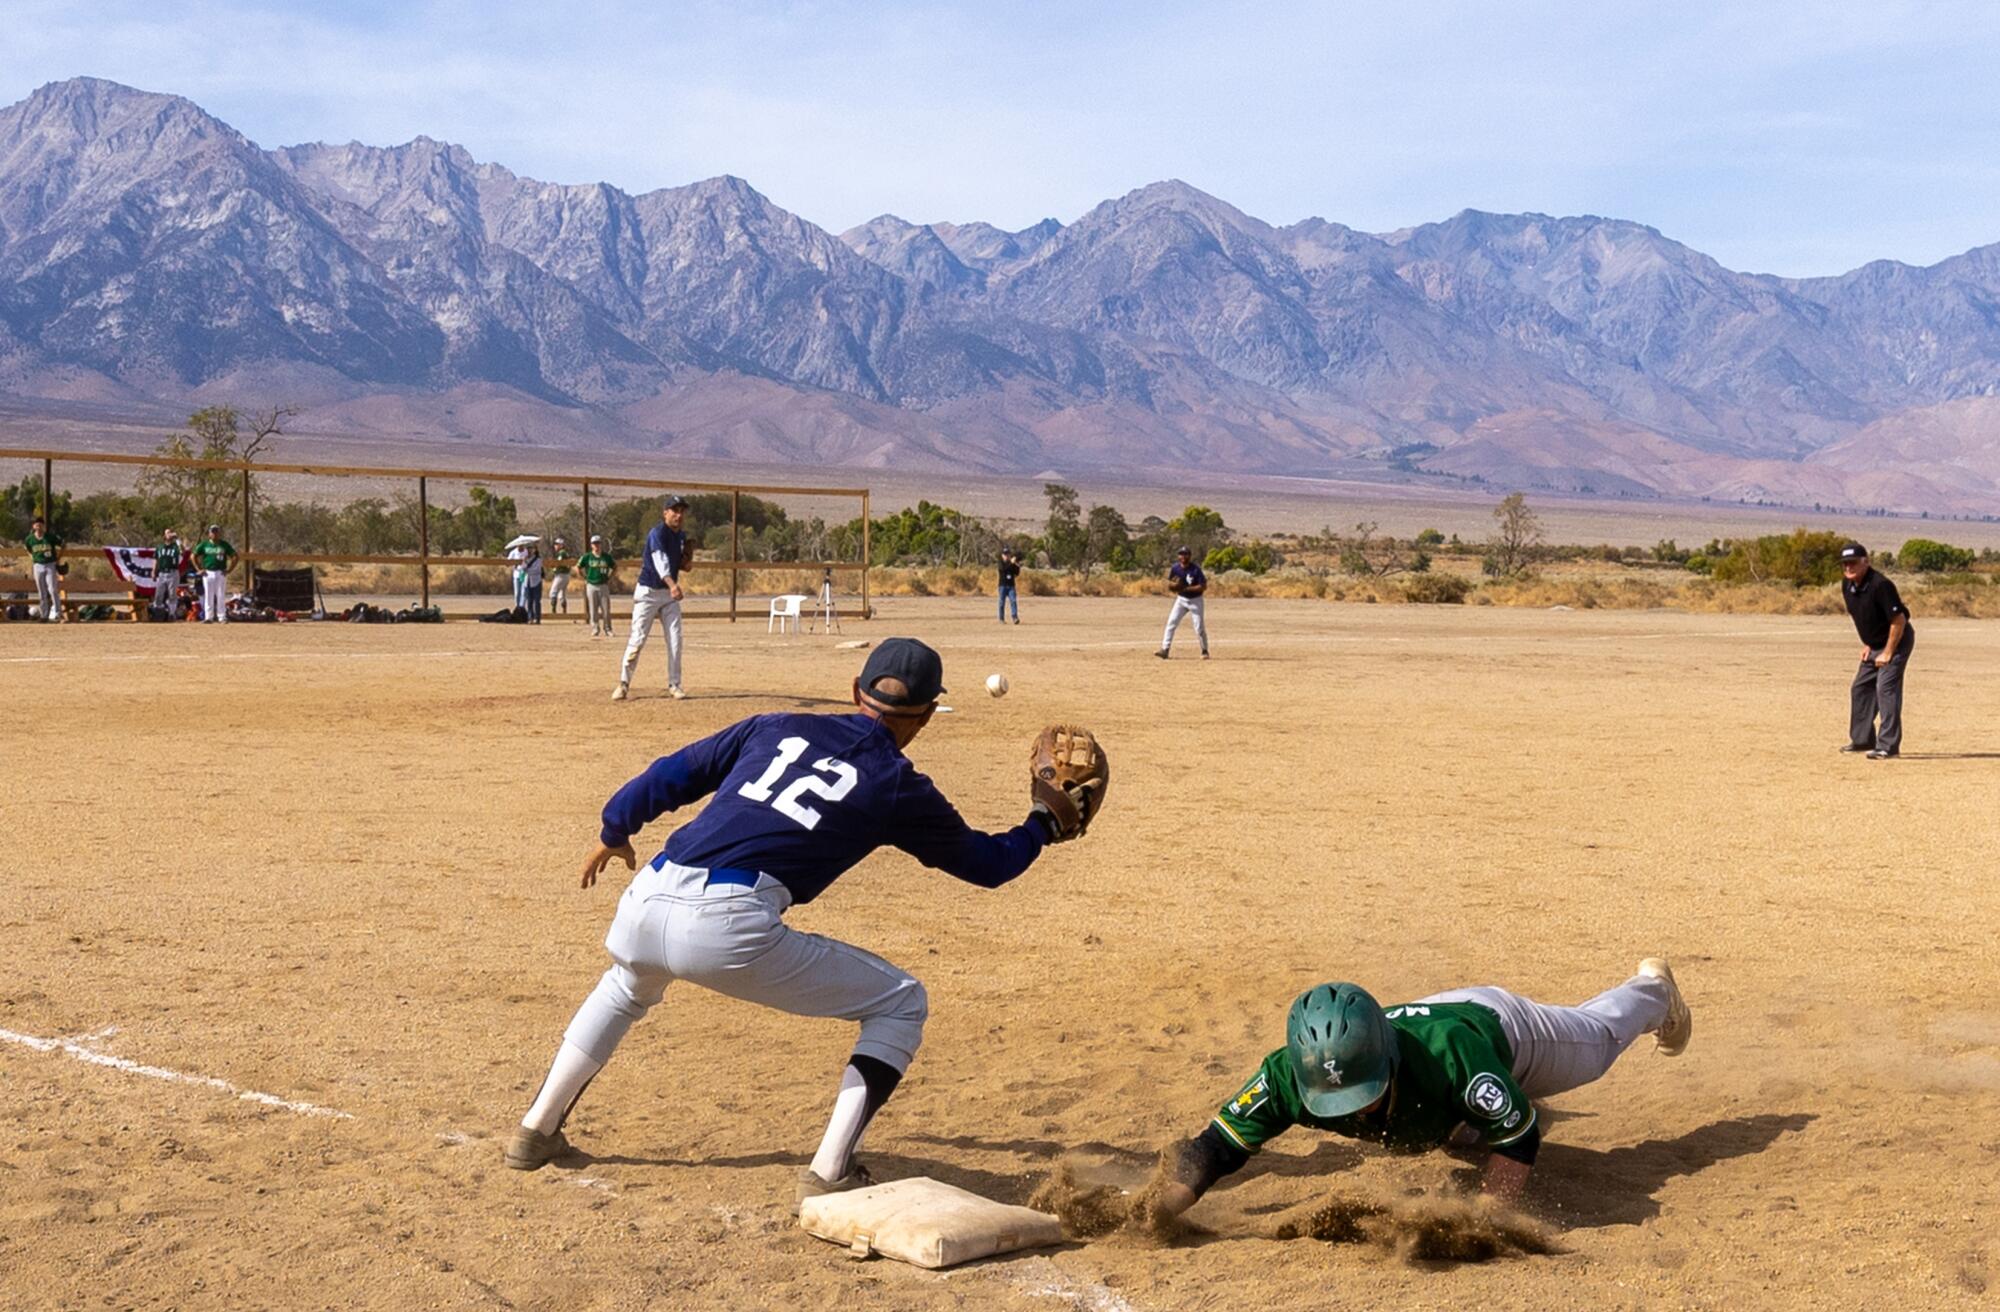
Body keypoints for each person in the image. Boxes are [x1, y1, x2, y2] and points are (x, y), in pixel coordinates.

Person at [504, 639, 1081, 1203]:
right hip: (728, 922)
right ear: (927, 715)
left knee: (627, 984)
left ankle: (536, 1129)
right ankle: (831, 1170)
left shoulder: (773, 725)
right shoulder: (897, 784)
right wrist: (1042, 825)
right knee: (900, 1002)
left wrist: (615, 829)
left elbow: (672, 773)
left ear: (854, 690)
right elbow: (986, 865)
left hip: (647, 893)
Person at [1145, 961, 1692, 1221]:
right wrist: (1163, 1208)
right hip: (1437, 1067)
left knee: (1595, 1046)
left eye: (1366, 1095)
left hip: (1500, 1030)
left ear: (1388, 1059)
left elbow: (1520, 1136)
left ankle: (1653, 992)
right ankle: (1463, 1119)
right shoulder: (1292, 1071)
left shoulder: (1452, 1054)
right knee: (1458, 1126)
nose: (1356, 1115)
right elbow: (1215, 1147)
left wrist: (1484, 1215)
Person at [1839, 542, 1913, 760]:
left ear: (1866, 562)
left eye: (1853, 563)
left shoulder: (1881, 585)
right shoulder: (1847, 585)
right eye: (1844, 564)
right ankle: (1863, 740)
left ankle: (1888, 746)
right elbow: (1862, 616)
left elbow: (1899, 620)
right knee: (1860, 688)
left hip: (1897, 640)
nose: (1848, 568)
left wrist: (1888, 652)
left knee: (1885, 688)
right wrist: (1869, 645)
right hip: (1876, 644)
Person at [614, 495, 688, 701]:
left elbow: (678, 562)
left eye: (682, 511)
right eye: (674, 510)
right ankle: (623, 683)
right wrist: (673, 585)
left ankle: (675, 684)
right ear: (665, 513)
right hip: (648, 593)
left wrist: (686, 562)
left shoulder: (680, 536)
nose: (679, 515)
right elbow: (660, 561)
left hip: (668, 596)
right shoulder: (657, 533)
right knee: (637, 640)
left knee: (675, 639)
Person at [1156, 546, 1209, 659]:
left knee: (1199, 627)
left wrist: (1185, 588)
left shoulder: (1195, 569)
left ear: (1189, 556)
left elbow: (1203, 586)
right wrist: (1173, 586)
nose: (1183, 556)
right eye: (1181, 554)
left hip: (1196, 600)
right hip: (1181, 600)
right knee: (1171, 623)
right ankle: (1165, 649)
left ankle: (1204, 650)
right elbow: (1171, 583)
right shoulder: (1175, 568)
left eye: (1185, 554)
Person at [191, 524, 237, 624]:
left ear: (219, 533)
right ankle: (209, 617)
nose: (215, 534)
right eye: (213, 531)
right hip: (207, 572)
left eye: (216, 531)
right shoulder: (204, 545)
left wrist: (229, 570)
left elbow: (235, 556)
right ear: (209, 534)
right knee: (208, 595)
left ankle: (222, 617)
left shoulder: (224, 545)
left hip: (220, 572)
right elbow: (193, 556)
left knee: (220, 594)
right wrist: (199, 569)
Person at [24, 514, 62, 623]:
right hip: (38, 565)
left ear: (43, 526)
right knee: (42, 591)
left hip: (50, 564)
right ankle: (44, 614)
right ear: (33, 526)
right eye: (37, 525)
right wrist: (31, 557)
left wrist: (58, 558)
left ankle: (58, 613)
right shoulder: (30, 539)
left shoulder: (49, 537)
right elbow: (26, 547)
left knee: (53, 589)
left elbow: (63, 544)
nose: (39, 527)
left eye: (41, 525)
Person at [578, 535, 616, 637]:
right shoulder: (587, 557)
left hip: (603, 585)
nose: (596, 546)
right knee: (593, 608)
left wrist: (609, 577)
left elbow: (614, 567)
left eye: (598, 543)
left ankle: (608, 628)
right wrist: (585, 578)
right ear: (591, 545)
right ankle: (595, 628)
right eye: (594, 544)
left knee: (606, 609)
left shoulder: (606, 557)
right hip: (591, 585)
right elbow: (578, 567)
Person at [154, 528, 185, 619]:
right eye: (167, 533)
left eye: (170, 533)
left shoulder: (175, 547)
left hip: (173, 572)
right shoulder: (160, 547)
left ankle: (172, 613)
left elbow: (183, 551)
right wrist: (153, 571)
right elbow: (156, 559)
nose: (169, 535)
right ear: (164, 535)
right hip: (162, 573)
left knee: (172, 594)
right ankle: (158, 612)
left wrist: (177, 538)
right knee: (159, 594)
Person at [549, 538, 573, 615]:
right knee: (562, 593)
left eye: (557, 544)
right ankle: (564, 610)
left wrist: (553, 566)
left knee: (553, 592)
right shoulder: (565, 553)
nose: (555, 546)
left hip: (561, 575)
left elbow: (559, 563)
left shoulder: (562, 553)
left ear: (561, 545)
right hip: (566, 575)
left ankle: (554, 611)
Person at [997, 548, 1022, 624]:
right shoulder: (1000, 563)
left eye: (1008, 554)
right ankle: (1001, 618)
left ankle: (1015, 617)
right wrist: (1011, 563)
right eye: (1005, 554)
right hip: (1002, 586)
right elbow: (1003, 569)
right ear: (1002, 555)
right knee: (1001, 602)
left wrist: (1017, 565)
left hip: (1011, 586)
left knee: (1013, 601)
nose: (1006, 556)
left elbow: (1017, 573)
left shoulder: (1012, 563)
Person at [523, 545, 546, 625]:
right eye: (528, 549)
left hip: (536, 581)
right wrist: (525, 564)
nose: (530, 550)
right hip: (527, 581)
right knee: (529, 601)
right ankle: (530, 618)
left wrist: (528, 570)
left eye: (531, 549)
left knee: (537, 601)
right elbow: (523, 568)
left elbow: (537, 570)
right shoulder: (525, 559)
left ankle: (537, 618)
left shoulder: (538, 560)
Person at [509, 541, 532, 612]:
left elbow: (530, 561)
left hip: (524, 573)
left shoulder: (527, 552)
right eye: (519, 545)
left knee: (524, 592)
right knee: (517, 592)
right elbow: (507, 562)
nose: (520, 546)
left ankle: (522, 608)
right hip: (517, 573)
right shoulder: (513, 552)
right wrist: (514, 563)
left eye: (522, 545)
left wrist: (526, 559)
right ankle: (517, 607)